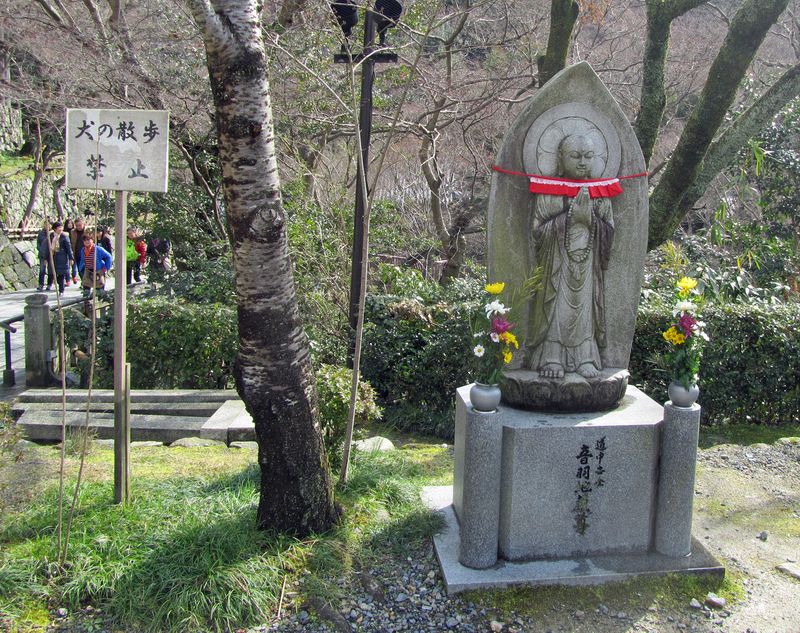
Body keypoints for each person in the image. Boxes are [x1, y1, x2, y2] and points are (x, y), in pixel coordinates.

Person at [527, 133, 614, 380]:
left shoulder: (600, 192)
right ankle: (552, 356)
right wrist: (568, 219)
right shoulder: (549, 190)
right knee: (556, 305)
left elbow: (610, 230)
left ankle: (585, 357)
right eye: (575, 156)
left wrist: (590, 221)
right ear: (561, 158)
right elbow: (537, 231)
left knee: (585, 307)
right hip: (557, 262)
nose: (582, 162)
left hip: (588, 263)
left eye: (588, 156)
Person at [49, 221, 74, 295]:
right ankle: (56, 286)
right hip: (53, 256)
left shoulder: (64, 236)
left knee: (61, 274)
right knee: (53, 273)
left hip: (62, 257)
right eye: (58, 227)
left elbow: (68, 248)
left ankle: (61, 290)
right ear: (55, 229)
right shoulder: (50, 236)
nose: (60, 229)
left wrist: (71, 258)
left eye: (61, 227)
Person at [36, 221, 54, 291]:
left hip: (51, 255)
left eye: (48, 225)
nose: (47, 226)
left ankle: (49, 284)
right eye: (45, 225)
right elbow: (38, 244)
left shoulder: (52, 234)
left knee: (50, 270)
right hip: (42, 255)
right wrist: (42, 250)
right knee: (42, 270)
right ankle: (41, 284)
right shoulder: (41, 234)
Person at [69, 217, 87, 285]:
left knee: (86, 269)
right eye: (77, 225)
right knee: (80, 270)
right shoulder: (73, 232)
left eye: (80, 225)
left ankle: (86, 283)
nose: (78, 227)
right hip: (77, 253)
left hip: (86, 253)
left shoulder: (87, 231)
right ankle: (84, 282)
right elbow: (71, 242)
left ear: (83, 224)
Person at [63, 218, 76, 285]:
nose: (70, 225)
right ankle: (67, 280)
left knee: (74, 265)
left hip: (74, 250)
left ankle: (74, 276)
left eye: (71, 223)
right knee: (66, 266)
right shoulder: (64, 233)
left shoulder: (74, 232)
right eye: (68, 223)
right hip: (66, 250)